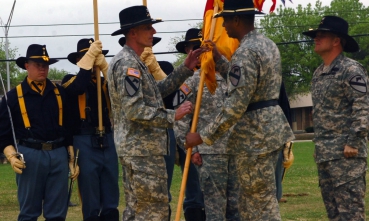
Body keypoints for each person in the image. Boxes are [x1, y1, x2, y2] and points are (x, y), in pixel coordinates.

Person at [185, 0, 295, 220]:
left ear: (236, 19)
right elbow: (250, 84)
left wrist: (202, 136)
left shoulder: (245, 52)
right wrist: (220, 61)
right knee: (261, 200)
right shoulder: (267, 44)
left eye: (225, 19)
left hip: (254, 136)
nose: (223, 26)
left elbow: (235, 106)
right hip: (269, 130)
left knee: (257, 204)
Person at [107, 5, 202, 221]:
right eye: (148, 27)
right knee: (150, 212)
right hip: (141, 152)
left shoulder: (136, 62)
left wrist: (185, 69)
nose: (154, 32)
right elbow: (134, 110)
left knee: (142, 210)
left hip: (144, 151)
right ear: (132, 33)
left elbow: (155, 94)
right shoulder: (127, 64)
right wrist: (172, 116)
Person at [0, 44, 79, 221]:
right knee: (29, 213)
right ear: (27, 65)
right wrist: (11, 156)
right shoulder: (12, 97)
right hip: (30, 154)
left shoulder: (59, 93)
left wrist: (71, 157)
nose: (42, 69)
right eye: (37, 65)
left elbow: (68, 125)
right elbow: (3, 132)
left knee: (58, 213)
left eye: (45, 65)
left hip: (58, 154)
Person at [302, 16, 369, 220]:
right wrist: (319, 147)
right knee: (334, 215)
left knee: (350, 214)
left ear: (336, 40)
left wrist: (353, 143)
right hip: (326, 155)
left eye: (321, 35)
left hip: (347, 155)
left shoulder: (351, 70)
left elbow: (363, 107)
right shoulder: (319, 73)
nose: (316, 38)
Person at [175, 28, 237, 221]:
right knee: (215, 212)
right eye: (196, 48)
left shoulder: (232, 78)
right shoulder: (193, 81)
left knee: (238, 211)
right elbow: (180, 121)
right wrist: (192, 151)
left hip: (237, 151)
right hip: (210, 155)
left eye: (204, 47)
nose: (202, 52)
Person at [62, 38, 119, 221]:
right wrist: (88, 59)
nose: (94, 59)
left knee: (111, 195)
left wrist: (104, 66)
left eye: (96, 55)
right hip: (84, 141)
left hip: (108, 139)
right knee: (90, 196)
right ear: (81, 59)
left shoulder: (106, 81)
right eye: (89, 56)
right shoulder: (69, 81)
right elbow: (77, 88)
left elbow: (122, 89)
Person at [275, 82, 294, 203]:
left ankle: (277, 194)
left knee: (279, 164)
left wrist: (288, 134)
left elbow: (284, 106)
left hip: (277, 130)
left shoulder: (277, 79)